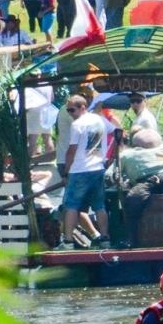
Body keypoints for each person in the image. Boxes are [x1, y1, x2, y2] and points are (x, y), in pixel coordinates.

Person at [117, 128, 163, 248]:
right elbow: (113, 172)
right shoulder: (127, 154)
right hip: (144, 179)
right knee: (133, 199)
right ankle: (132, 238)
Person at [54, 93, 110, 250]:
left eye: (72, 110)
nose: (70, 114)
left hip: (79, 170)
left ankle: (68, 241)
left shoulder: (77, 125)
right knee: (99, 205)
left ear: (82, 107)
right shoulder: (99, 120)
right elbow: (116, 131)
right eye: (68, 110)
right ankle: (105, 238)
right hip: (98, 168)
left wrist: (66, 172)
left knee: (72, 205)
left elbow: (72, 150)